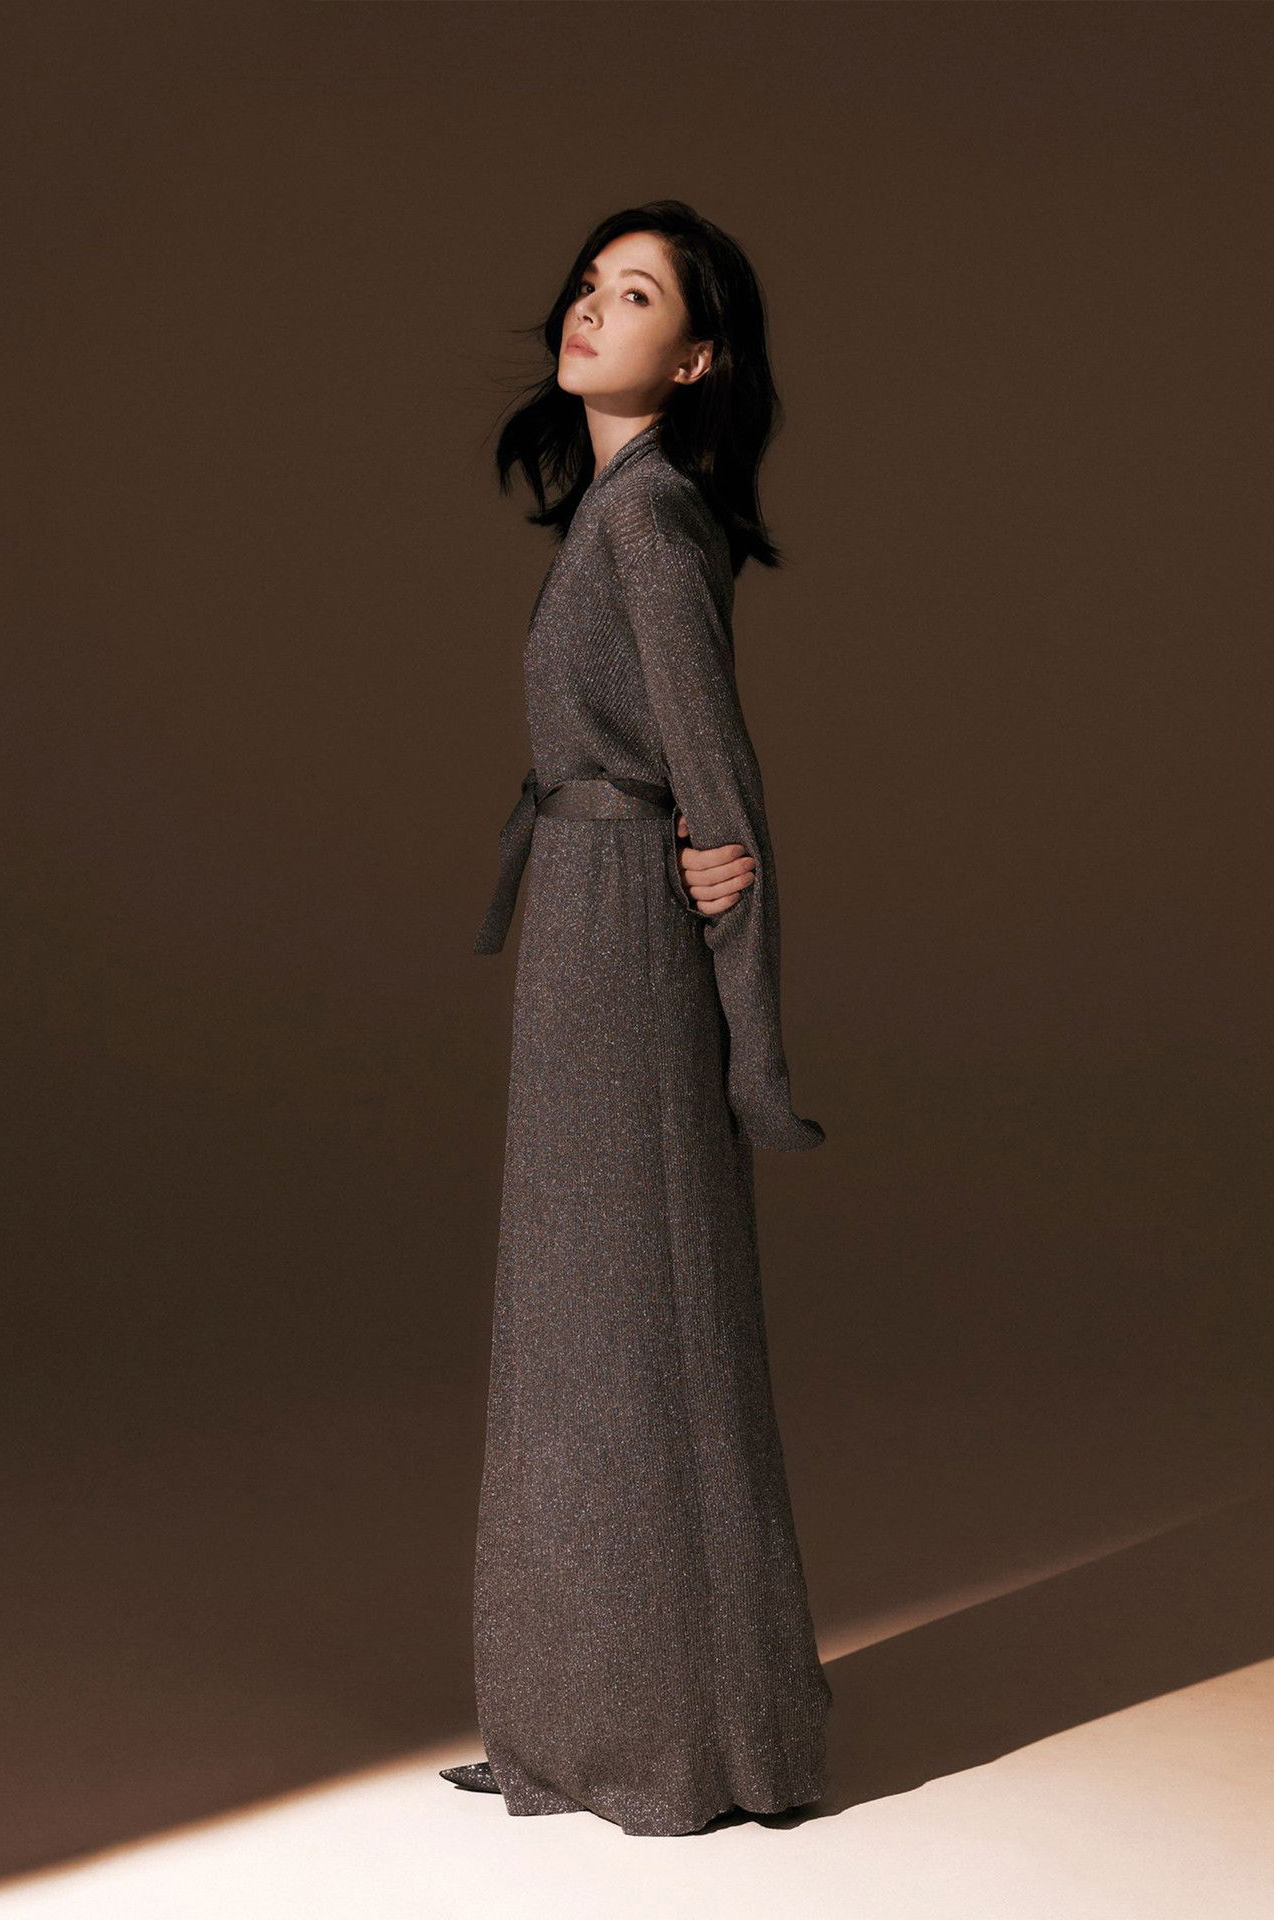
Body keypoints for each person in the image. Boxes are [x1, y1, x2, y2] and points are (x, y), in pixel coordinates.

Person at [442, 199, 830, 1837]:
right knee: (581, 1320)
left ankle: (695, 1741)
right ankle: (582, 1720)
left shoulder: (655, 518)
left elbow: (716, 775)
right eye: (590, 283)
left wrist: (750, 1018)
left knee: (632, 1317)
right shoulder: (615, 510)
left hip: (625, 938)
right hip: (585, 922)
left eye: (640, 293)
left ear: (696, 358)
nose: (593, 308)